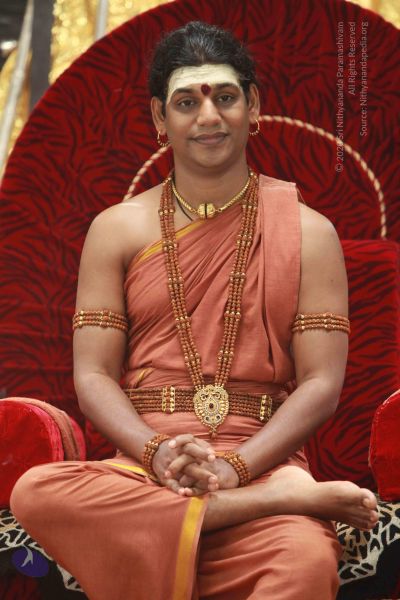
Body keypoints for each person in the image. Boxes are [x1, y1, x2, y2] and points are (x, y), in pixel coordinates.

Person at [10, 20, 378, 600]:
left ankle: (265, 500)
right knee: (33, 490)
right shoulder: (117, 229)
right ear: (161, 118)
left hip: (263, 457)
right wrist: (156, 453)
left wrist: (237, 467)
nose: (209, 117)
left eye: (225, 97)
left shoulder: (310, 233)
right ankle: (273, 503)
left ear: (253, 106)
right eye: (187, 102)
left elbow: (321, 384)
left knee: (305, 564)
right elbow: (93, 375)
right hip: (145, 471)